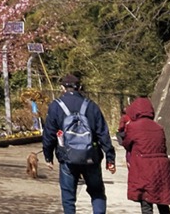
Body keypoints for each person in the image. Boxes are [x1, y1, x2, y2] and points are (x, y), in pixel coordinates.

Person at [42, 73, 117, 214]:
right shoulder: (91, 105)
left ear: (62, 87)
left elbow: (49, 133)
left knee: (68, 196)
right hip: (91, 156)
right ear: (80, 87)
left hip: (67, 157)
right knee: (97, 192)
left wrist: (48, 156)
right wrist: (110, 157)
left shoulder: (56, 106)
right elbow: (103, 133)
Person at [121, 96, 170, 214]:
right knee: (162, 201)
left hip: (144, 167)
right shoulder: (159, 127)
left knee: (146, 201)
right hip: (162, 168)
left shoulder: (133, 127)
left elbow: (127, 144)